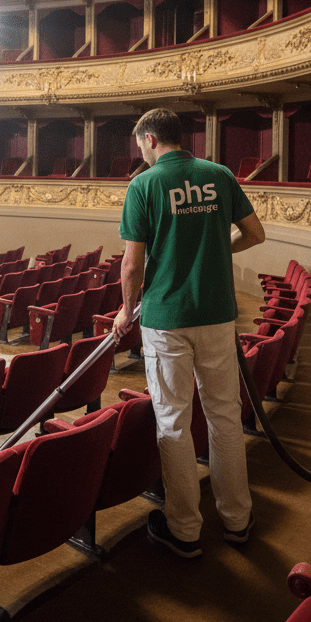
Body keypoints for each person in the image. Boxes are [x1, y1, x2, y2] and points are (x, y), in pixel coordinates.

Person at [112, 108, 266, 558]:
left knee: (174, 421)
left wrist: (125, 311)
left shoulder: (144, 184)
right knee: (224, 418)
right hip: (218, 314)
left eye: (140, 142)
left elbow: (131, 264)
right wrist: (220, 248)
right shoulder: (218, 175)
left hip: (166, 319)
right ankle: (237, 520)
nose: (139, 150)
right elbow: (256, 233)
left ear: (152, 138)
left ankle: (185, 529)